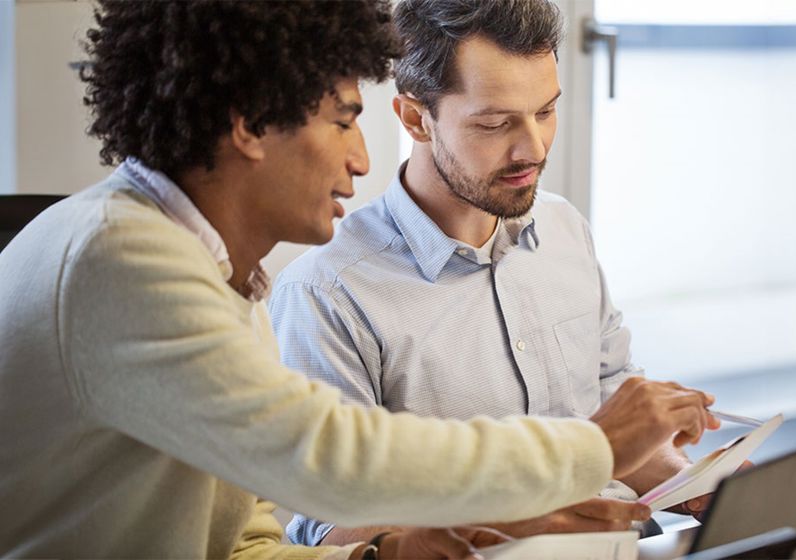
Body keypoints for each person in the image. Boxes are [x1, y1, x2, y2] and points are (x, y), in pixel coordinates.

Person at [0, 1, 718, 558]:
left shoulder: (219, 280)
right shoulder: (121, 262)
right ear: (250, 125)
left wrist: (389, 553)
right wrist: (594, 447)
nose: (362, 159)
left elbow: (244, 542)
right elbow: (328, 459)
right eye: (345, 121)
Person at [270, 0, 715, 548]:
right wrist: (516, 516)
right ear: (415, 118)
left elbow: (611, 408)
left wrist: (690, 482)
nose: (532, 148)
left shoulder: (562, 228)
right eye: (495, 123)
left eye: (545, 112)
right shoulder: (327, 295)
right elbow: (333, 534)